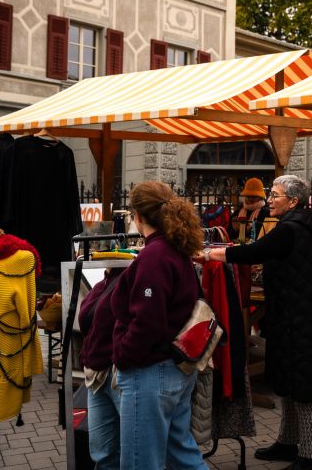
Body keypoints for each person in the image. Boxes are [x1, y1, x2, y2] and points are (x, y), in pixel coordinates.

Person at [198, 175, 312, 470]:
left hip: (302, 321)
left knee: (304, 388)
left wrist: (208, 254)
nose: (269, 199)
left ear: (293, 201)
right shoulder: (298, 225)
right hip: (293, 317)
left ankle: (310, 457)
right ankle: (287, 441)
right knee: (289, 382)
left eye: (275, 195)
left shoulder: (290, 229)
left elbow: (252, 252)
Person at [109, 181, 207, 470]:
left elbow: (148, 322)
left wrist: (123, 356)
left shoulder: (155, 255)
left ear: (138, 216)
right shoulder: (175, 248)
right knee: (181, 454)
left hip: (152, 371)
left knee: (141, 462)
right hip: (174, 368)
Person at [78, 267, 126, 469]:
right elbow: (89, 324)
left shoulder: (132, 277)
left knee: (132, 452)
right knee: (101, 452)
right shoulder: (103, 282)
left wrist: (122, 357)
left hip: (119, 374)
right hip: (96, 375)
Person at [230, 177, 271, 243]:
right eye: (248, 196)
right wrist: (235, 230)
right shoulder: (237, 213)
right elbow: (230, 236)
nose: (251, 199)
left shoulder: (266, 213)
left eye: (254, 196)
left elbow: (265, 235)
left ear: (261, 197)